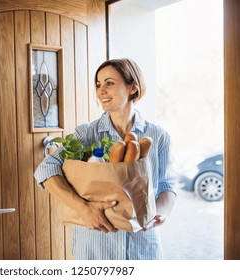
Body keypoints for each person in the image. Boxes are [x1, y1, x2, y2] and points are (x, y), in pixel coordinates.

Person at [34, 58, 177, 260]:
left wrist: (158, 214)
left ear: (132, 88)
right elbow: (45, 169)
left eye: (109, 83)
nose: (101, 91)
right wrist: (84, 209)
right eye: (98, 84)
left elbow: (167, 186)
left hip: (142, 250)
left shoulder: (158, 136)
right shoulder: (87, 134)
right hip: (95, 250)